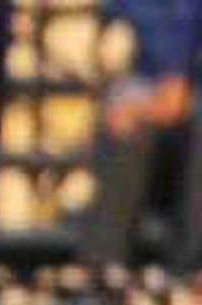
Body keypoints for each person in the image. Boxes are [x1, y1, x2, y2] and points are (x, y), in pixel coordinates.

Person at [82, 0, 200, 270]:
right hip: (150, 81)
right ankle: (105, 269)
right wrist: (171, 78)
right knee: (124, 116)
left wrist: (180, 77)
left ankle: (192, 271)